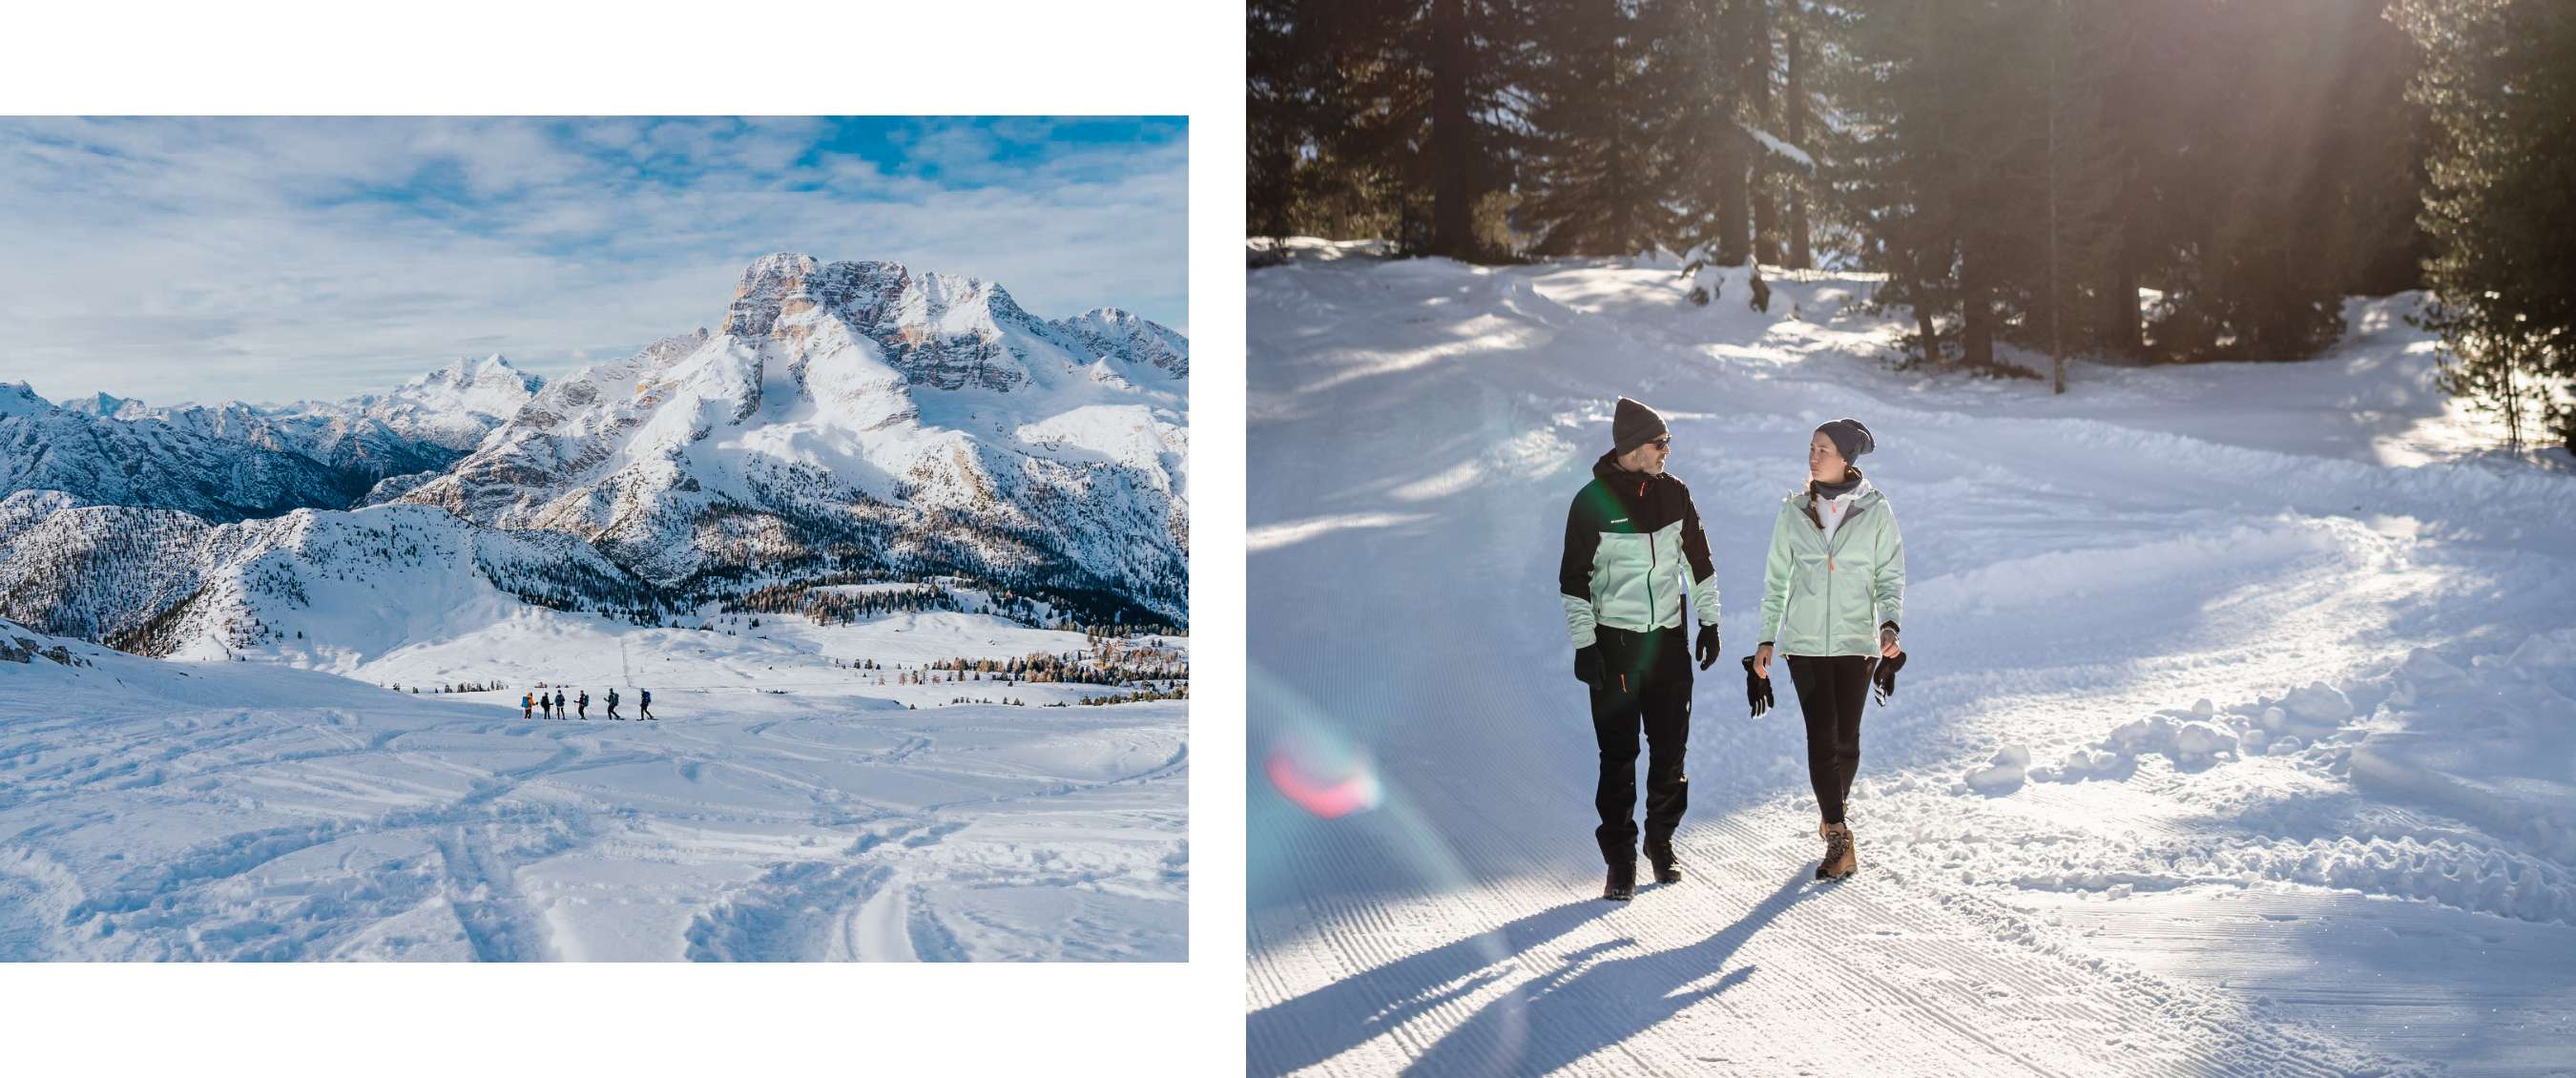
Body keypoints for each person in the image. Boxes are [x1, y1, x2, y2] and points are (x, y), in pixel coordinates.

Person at [1560, 397, 1721, 902]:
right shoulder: (1591, 502)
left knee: (1671, 752)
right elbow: (1574, 582)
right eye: (1660, 443)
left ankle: (1661, 841)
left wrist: (1710, 622)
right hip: (1617, 646)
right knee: (1619, 757)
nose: (1667, 451)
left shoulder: (1676, 494)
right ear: (1634, 449)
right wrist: (1587, 646)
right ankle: (1621, 861)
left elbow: (1699, 561)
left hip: (1668, 642)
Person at [1753, 418, 1906, 881]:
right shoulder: (1793, 512)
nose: (1813, 456)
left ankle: (1831, 808)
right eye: (1811, 448)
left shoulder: (1875, 511)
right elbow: (1776, 581)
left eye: (1823, 449)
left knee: (1847, 742)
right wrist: (1766, 638)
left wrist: (1889, 624)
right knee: (1821, 737)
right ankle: (1838, 834)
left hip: (1856, 641)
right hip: (1803, 644)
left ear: (1845, 459)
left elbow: (1889, 575)